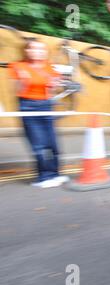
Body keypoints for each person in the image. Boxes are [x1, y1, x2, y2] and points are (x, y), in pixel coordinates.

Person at [8, 38, 69, 188]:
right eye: (34, 48)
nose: (38, 52)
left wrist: (54, 85)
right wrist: (22, 81)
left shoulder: (49, 68)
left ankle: (55, 173)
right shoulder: (17, 66)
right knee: (39, 144)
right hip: (28, 106)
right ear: (27, 51)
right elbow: (16, 91)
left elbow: (53, 90)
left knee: (52, 143)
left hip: (46, 105)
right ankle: (43, 177)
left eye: (41, 49)